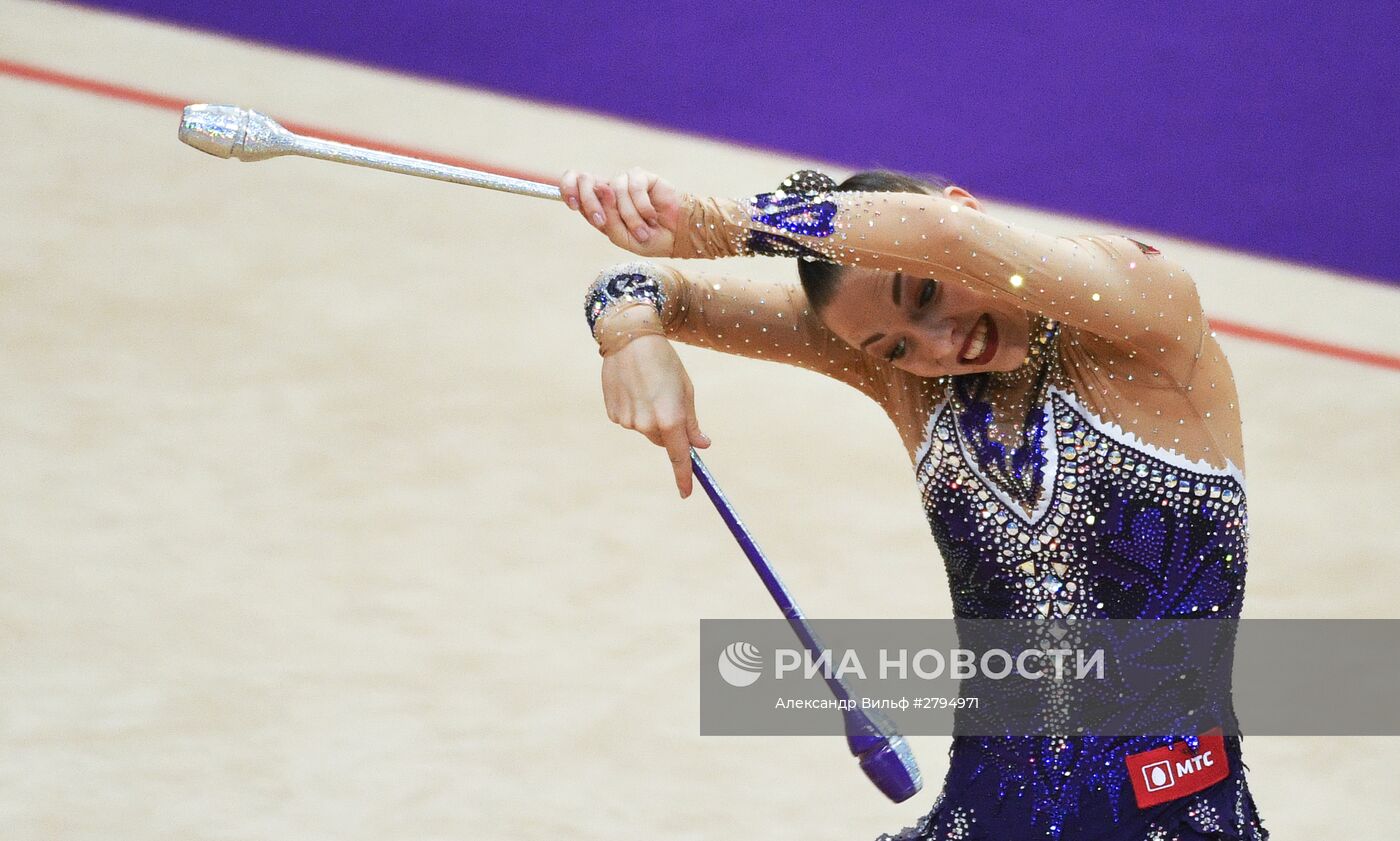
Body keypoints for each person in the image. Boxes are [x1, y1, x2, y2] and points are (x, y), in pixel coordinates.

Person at [560, 165, 1268, 840]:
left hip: (1178, 815)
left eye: (925, 295)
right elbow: (638, 284)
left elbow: (947, 237)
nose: (938, 345)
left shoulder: (1142, 317)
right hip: (982, 819)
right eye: (893, 345)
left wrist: (710, 224)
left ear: (964, 203)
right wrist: (630, 334)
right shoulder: (913, 384)